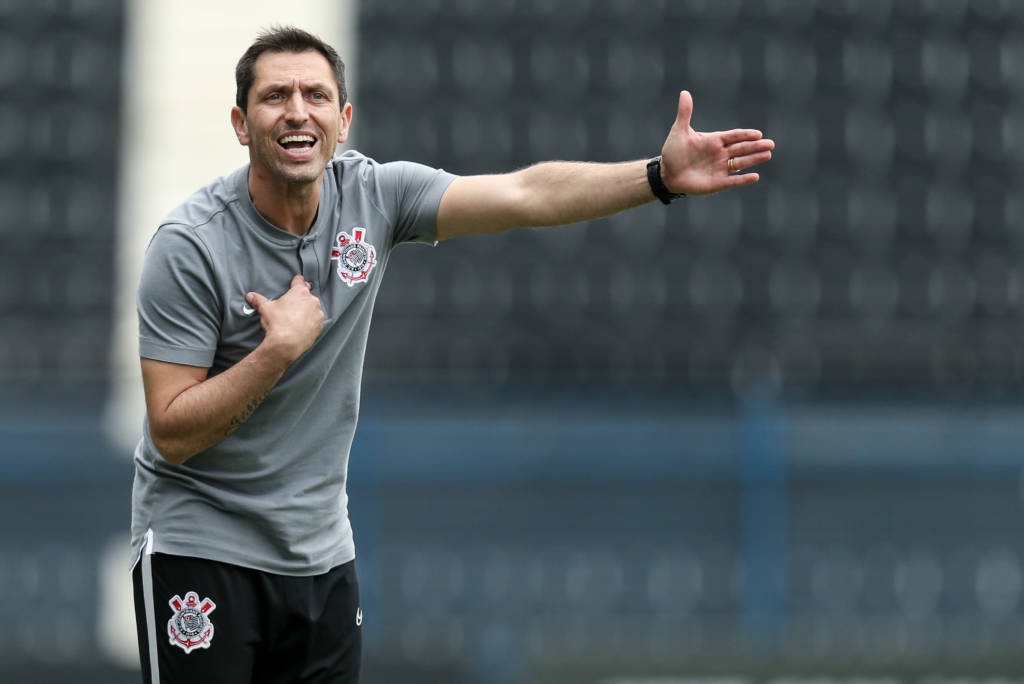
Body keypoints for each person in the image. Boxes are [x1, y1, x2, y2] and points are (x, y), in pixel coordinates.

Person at [129, 25, 773, 684]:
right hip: (200, 548)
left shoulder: (375, 196)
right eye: (275, 97)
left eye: (315, 95)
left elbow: (527, 195)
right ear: (241, 124)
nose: (297, 111)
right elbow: (172, 433)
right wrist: (277, 352)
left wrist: (657, 177)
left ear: (343, 120)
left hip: (318, 556)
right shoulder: (190, 247)